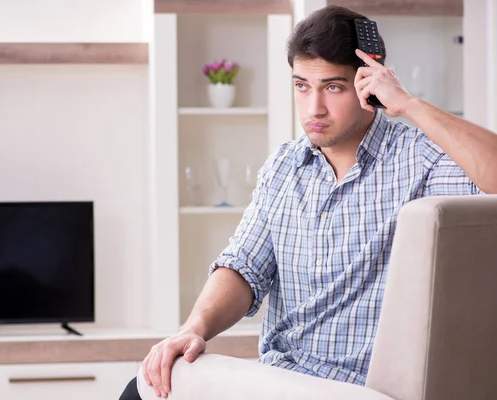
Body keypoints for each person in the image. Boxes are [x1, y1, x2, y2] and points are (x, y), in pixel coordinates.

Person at [120, 5, 497, 399]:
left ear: (369, 82)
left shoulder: (419, 161)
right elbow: (243, 267)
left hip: (357, 387)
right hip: (280, 377)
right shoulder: (283, 166)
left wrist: (408, 104)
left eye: (333, 87)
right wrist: (191, 329)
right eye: (302, 86)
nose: (314, 108)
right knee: (146, 386)